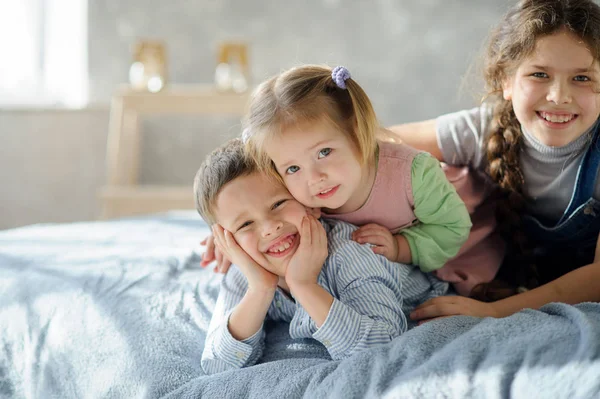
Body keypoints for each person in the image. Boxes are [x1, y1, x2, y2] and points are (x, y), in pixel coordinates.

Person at [387, 0, 600, 321]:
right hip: (518, 281)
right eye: (539, 74)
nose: (559, 96)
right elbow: (375, 142)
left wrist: (493, 311)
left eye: (582, 78)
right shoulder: (485, 129)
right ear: (506, 81)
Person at [194, 139, 448, 374]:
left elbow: (382, 347)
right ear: (227, 242)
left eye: (278, 204)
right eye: (245, 224)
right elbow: (217, 364)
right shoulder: (246, 273)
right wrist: (260, 289)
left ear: (310, 204)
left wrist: (304, 286)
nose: (270, 227)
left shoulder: (352, 252)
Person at [241, 64, 472, 279]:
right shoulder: (288, 190)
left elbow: (453, 228)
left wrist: (400, 246)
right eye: (293, 168)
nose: (314, 179)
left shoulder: (414, 174)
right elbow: (247, 204)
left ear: (357, 131)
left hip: (461, 241)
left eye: (324, 153)